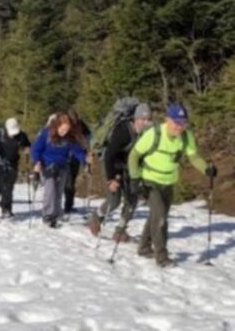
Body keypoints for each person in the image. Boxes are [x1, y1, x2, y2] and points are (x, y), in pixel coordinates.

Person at [128, 103, 217, 267]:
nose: (180, 127)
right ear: (167, 120)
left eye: (183, 123)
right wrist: (135, 178)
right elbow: (134, 155)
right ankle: (162, 257)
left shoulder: (186, 136)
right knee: (160, 217)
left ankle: (144, 247)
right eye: (176, 122)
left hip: (168, 182)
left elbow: (194, 156)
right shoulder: (154, 133)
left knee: (157, 216)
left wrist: (206, 169)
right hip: (150, 180)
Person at [88, 104, 152, 241]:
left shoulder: (146, 134)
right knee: (114, 200)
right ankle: (96, 216)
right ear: (135, 118)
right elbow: (110, 154)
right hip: (113, 165)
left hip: (130, 168)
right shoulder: (124, 131)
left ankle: (120, 230)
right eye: (142, 119)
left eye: (147, 119)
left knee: (132, 199)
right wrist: (111, 179)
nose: (145, 122)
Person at [31, 112, 88, 228]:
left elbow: (77, 151)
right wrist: (37, 162)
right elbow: (36, 149)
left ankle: (56, 214)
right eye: (62, 129)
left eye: (67, 129)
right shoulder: (46, 134)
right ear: (57, 126)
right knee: (50, 191)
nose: (64, 132)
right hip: (47, 165)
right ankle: (47, 215)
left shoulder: (69, 138)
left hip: (62, 166)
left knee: (58, 192)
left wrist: (84, 160)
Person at [0, 118, 31, 217]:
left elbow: (27, 145)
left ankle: (7, 208)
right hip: (0, 164)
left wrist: (27, 149)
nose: (13, 134)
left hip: (13, 163)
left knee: (9, 187)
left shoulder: (21, 135)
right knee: (0, 187)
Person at [64, 110, 92, 214]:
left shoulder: (81, 125)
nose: (74, 121)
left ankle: (69, 205)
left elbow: (88, 135)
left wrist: (88, 145)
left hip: (78, 155)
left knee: (71, 181)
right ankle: (67, 206)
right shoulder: (66, 125)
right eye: (72, 120)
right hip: (67, 157)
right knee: (69, 182)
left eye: (75, 119)